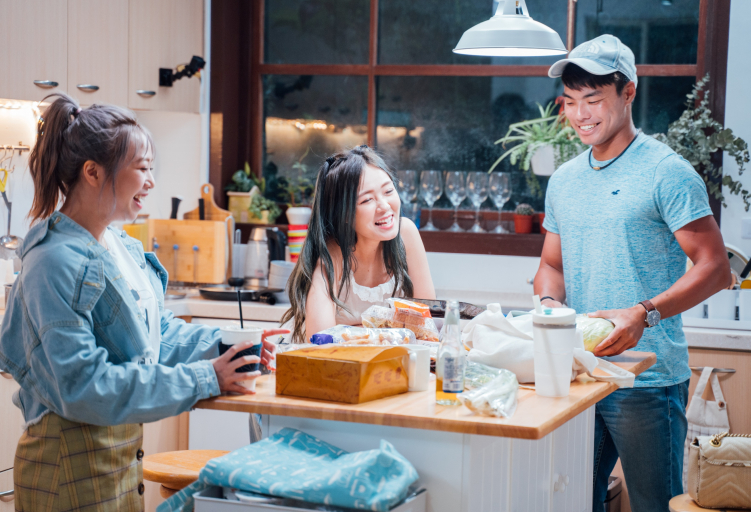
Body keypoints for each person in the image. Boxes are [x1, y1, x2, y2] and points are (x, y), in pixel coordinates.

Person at [0, 93, 286, 511]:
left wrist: (236, 346)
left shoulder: (119, 245)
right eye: (142, 168)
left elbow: (158, 336)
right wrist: (206, 378)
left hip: (118, 465)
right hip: (66, 473)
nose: (151, 181)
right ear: (93, 173)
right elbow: (84, 386)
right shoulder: (52, 260)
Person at [533, 35, 730, 512]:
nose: (581, 115)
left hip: (649, 379)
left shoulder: (667, 172)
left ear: (628, 93)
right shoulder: (564, 180)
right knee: (572, 500)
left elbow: (716, 268)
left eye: (594, 100)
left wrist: (644, 313)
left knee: (654, 506)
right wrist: (549, 308)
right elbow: (550, 266)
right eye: (572, 102)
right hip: (581, 375)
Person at [282, 145, 435, 342]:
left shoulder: (406, 233)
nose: (385, 206)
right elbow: (320, 340)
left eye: (388, 191)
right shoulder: (333, 253)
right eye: (367, 200)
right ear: (344, 214)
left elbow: (429, 325)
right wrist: (392, 331)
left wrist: (354, 330)